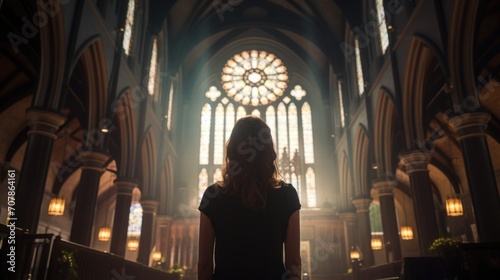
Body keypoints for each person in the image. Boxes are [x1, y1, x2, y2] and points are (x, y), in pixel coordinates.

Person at [198, 115, 301, 280]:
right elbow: (293, 263)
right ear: (269, 152)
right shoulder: (287, 195)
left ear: (232, 150)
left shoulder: (213, 196)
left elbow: (204, 266)